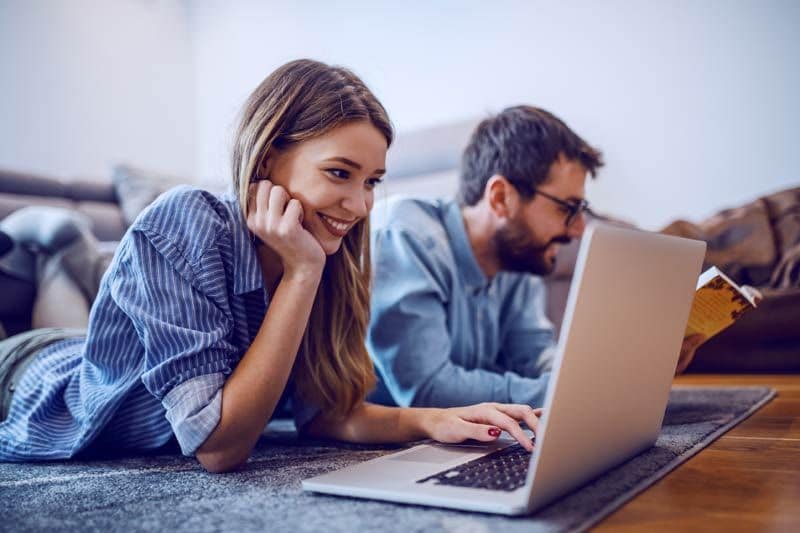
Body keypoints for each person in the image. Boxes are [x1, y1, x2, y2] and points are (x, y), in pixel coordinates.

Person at [0, 59, 541, 471]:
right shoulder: (188, 220)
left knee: (98, 315)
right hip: (36, 375)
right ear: (265, 161)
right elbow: (218, 447)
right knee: (59, 326)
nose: (361, 205)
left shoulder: (331, 248)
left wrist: (433, 420)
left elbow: (326, 414)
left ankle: (66, 249)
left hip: (110, 348)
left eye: (372, 180)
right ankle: (57, 243)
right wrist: (301, 274)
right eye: (338, 173)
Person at [367, 106, 705, 409]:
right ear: (500, 198)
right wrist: (575, 394)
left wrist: (621, 375)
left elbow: (535, 355)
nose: (578, 230)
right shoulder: (406, 236)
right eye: (567, 208)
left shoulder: (517, 260)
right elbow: (427, 390)